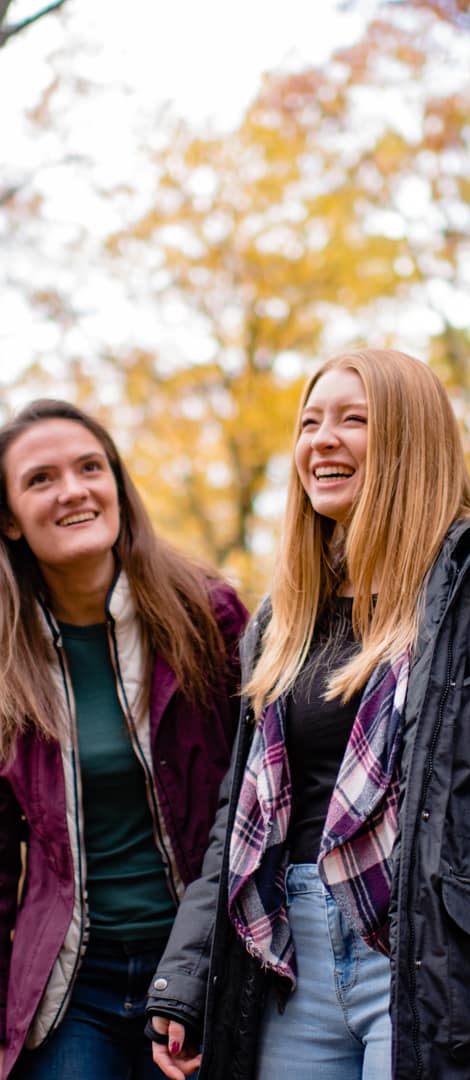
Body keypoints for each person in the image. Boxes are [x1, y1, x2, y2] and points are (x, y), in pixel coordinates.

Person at [146, 348, 470, 1080]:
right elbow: (238, 817)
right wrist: (189, 976)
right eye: (310, 422)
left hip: (431, 957)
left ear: (410, 442)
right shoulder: (282, 619)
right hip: (289, 956)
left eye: (354, 420)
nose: (322, 439)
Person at [0, 400, 247, 1080]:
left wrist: (203, 970)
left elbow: (259, 798)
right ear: (9, 519)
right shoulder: (5, 664)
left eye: (89, 467)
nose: (73, 490)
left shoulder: (207, 617)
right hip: (73, 982)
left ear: (116, 484)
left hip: (200, 961)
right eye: (40, 479)